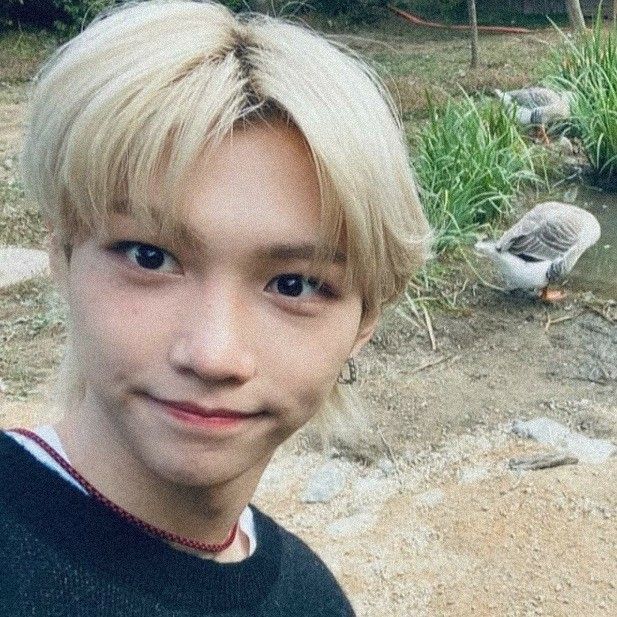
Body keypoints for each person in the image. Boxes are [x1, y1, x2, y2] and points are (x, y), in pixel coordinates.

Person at [0, 1, 430, 615]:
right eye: (148, 257)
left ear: (364, 322)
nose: (213, 354)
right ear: (63, 257)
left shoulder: (312, 602)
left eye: (294, 285)